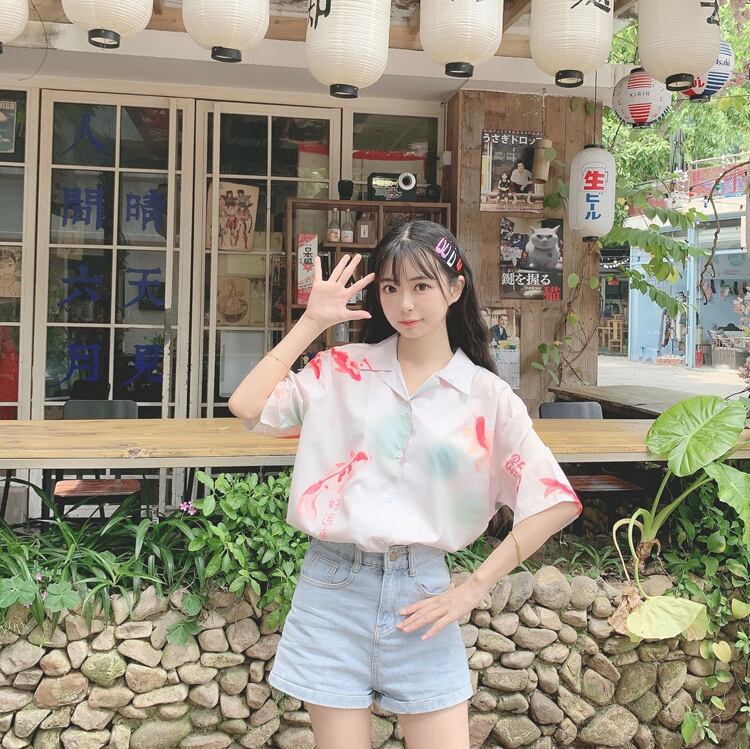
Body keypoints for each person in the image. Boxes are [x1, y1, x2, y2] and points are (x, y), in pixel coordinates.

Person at [228, 220, 581, 749]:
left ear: (455, 289)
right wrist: (312, 321)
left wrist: (474, 587)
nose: (405, 304)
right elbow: (246, 405)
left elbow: (554, 501)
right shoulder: (342, 369)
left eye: (421, 286)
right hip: (332, 590)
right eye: (391, 288)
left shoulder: (485, 396)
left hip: (423, 597)